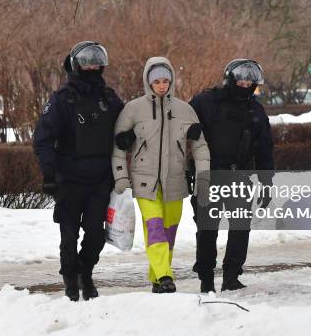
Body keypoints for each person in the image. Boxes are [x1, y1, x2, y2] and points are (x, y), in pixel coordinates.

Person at [33, 41, 124, 301]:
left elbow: (125, 124)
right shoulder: (62, 100)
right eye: (87, 63)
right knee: (69, 233)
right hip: (69, 178)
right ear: (75, 65)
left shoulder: (109, 97)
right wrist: (49, 174)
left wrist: (127, 137)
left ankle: (86, 272)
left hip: (99, 179)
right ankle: (70, 280)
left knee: (96, 234)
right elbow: (43, 139)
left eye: (97, 63)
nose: (92, 67)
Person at [111, 57, 210, 293]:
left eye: (166, 80)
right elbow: (117, 147)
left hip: (175, 182)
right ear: (148, 81)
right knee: (154, 227)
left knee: (169, 231)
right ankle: (166, 275)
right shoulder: (133, 109)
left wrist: (204, 175)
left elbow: (200, 146)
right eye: (157, 81)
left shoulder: (185, 110)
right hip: (145, 182)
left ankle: (157, 278)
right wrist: (121, 176)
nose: (162, 85)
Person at [189, 59, 274, 293]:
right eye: (240, 78)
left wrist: (267, 182)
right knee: (207, 229)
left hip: (240, 177)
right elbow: (179, 124)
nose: (244, 83)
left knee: (240, 227)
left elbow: (265, 148)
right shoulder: (206, 101)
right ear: (230, 77)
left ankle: (231, 276)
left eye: (249, 79)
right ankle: (206, 278)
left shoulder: (255, 110)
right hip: (210, 175)